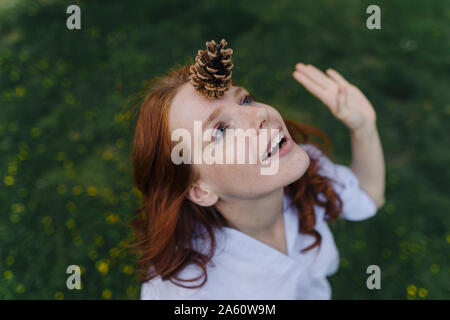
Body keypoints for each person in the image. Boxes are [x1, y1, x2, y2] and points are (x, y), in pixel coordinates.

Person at [131, 44, 385, 299]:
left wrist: (364, 128)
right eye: (221, 130)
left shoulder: (309, 177)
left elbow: (367, 195)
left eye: (246, 100)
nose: (260, 112)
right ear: (199, 190)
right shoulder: (184, 290)